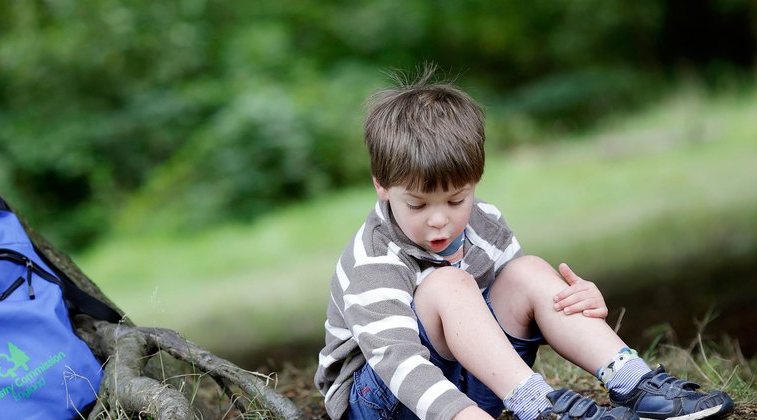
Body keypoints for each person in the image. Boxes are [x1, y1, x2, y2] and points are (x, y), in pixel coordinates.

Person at [314, 70, 735, 420]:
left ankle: (634, 382)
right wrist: (462, 415)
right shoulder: (374, 257)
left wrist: (576, 304)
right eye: (418, 204)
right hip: (388, 398)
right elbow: (396, 361)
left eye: (457, 199)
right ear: (382, 187)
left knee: (528, 271)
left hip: (477, 379)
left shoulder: (486, 223)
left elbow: (522, 311)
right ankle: (542, 407)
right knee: (448, 284)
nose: (440, 219)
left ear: (474, 181)